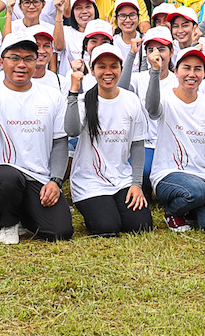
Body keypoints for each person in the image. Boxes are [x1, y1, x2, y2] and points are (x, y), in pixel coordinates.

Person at [0, 29, 75, 243]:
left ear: (36, 61)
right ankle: (7, 223)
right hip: (0, 173)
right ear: (1, 61)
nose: (21, 64)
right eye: (14, 58)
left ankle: (23, 217)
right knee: (8, 178)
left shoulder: (51, 96)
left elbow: (60, 142)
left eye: (28, 59)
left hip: (38, 176)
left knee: (59, 232)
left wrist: (55, 181)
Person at [65, 45, 154, 237]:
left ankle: (113, 207)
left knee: (141, 226)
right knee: (107, 228)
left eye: (114, 66)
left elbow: (138, 144)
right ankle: (98, 211)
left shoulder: (131, 100)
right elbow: (71, 130)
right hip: (89, 182)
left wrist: (136, 184)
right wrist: (73, 92)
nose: (108, 72)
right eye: (101, 66)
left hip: (121, 179)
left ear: (121, 69)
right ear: (92, 68)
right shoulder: (84, 101)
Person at [141, 45, 205, 233]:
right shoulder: (166, 98)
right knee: (196, 191)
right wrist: (155, 72)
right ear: (176, 71)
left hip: (201, 178)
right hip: (168, 174)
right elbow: (152, 110)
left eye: (198, 69)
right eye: (186, 68)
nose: (192, 74)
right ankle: (173, 211)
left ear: (204, 73)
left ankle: (191, 207)